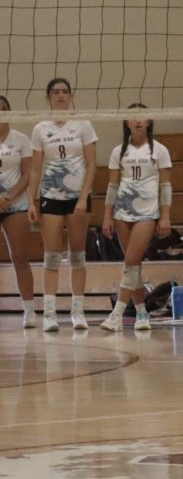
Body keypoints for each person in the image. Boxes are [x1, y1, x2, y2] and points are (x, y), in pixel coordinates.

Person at [28, 78, 98, 332]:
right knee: (51, 255)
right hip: (50, 197)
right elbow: (36, 169)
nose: (60, 96)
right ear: (49, 97)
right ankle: (49, 314)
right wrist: (32, 201)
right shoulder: (40, 128)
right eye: (55, 92)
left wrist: (82, 198)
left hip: (78, 198)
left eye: (64, 92)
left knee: (78, 254)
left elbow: (91, 165)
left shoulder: (83, 125)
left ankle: (77, 312)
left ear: (70, 95)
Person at [100, 105, 173, 333]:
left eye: (143, 116)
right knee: (133, 266)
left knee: (131, 261)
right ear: (126, 122)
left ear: (149, 121)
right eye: (133, 117)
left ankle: (117, 314)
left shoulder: (159, 150)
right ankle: (142, 313)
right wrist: (107, 216)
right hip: (122, 212)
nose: (138, 120)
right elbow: (112, 186)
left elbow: (166, 186)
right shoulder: (118, 151)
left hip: (147, 213)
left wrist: (165, 216)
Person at [0, 95, 37, 328]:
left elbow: (28, 174)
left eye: (3, 109)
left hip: (15, 204)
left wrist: (8, 196)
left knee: (20, 257)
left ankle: (30, 311)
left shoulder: (21, 140)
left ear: (10, 112)